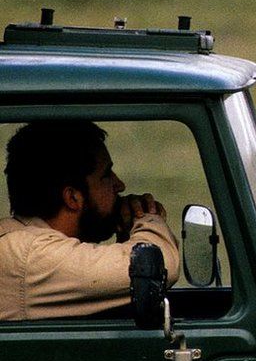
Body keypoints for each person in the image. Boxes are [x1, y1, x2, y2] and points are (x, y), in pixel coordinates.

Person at [0, 121, 179, 320]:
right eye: (106, 176)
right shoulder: (32, 255)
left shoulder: (24, 246)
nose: (119, 185)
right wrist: (146, 215)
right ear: (73, 197)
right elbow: (157, 266)